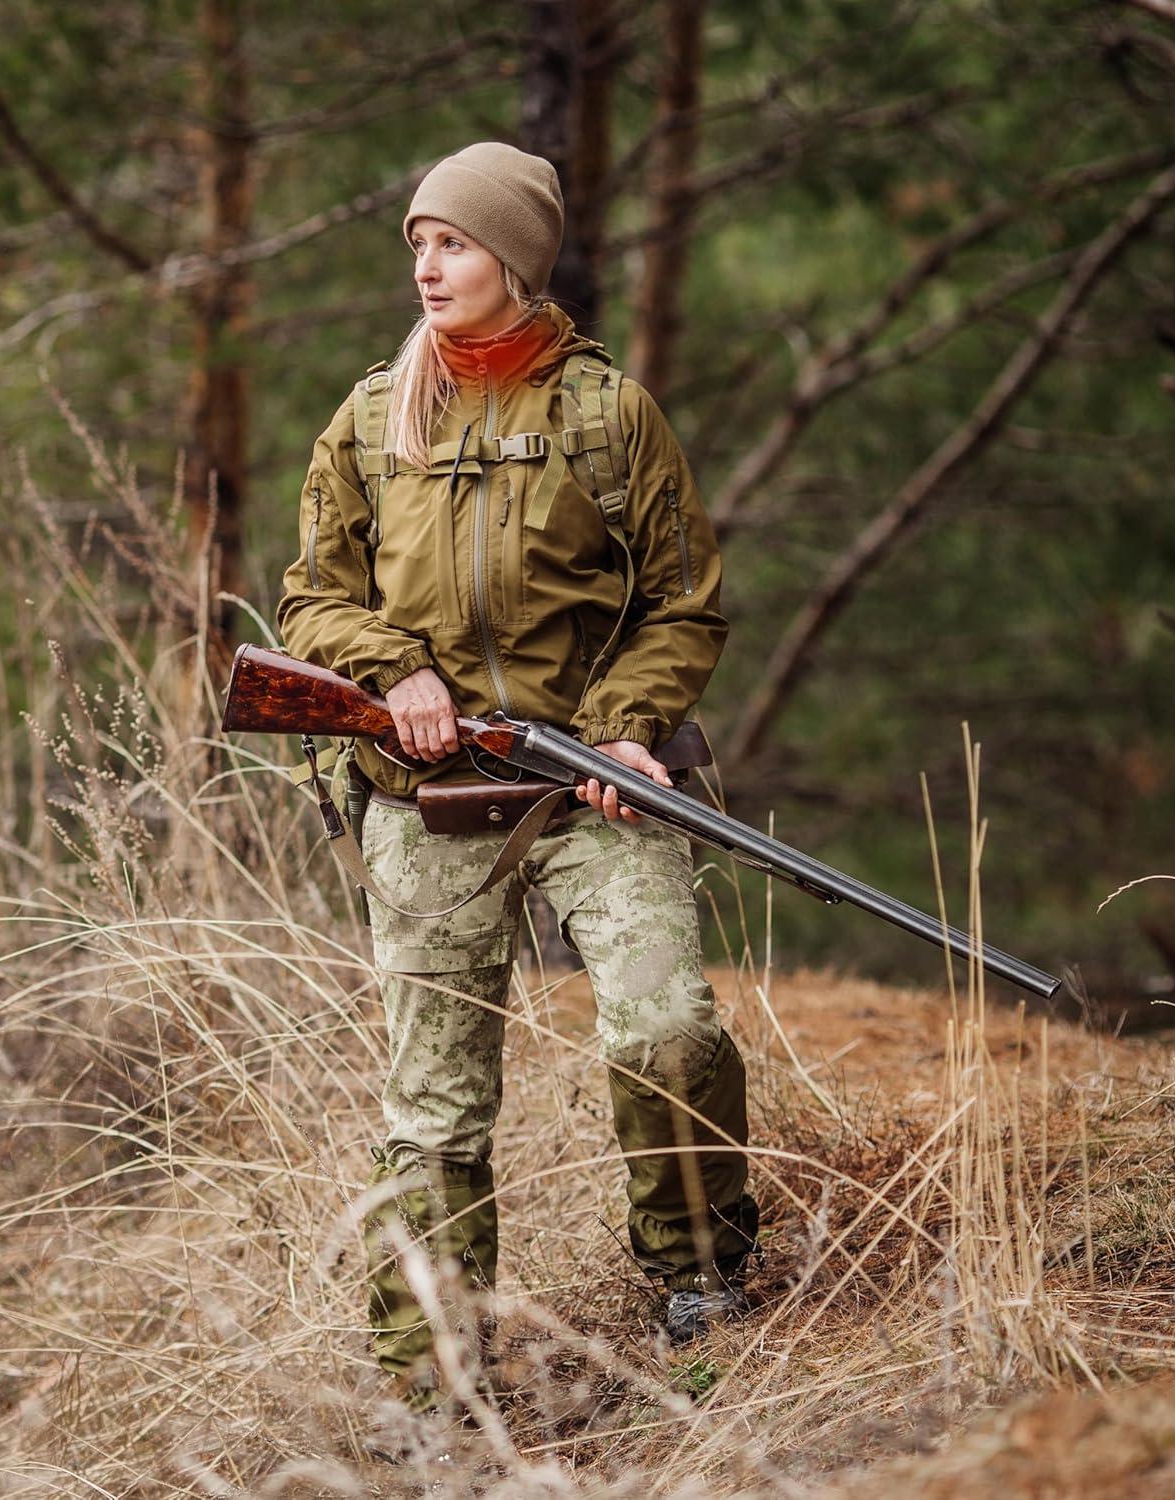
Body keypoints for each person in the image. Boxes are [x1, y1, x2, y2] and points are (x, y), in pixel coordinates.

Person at [276, 141, 758, 1414]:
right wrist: (397, 676)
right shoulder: (372, 417)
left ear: (518, 260)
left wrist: (624, 729)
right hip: (422, 796)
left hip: (588, 781)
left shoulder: (608, 416)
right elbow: (312, 598)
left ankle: (701, 1272)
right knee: (434, 1111)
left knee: (666, 1028)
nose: (430, 266)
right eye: (419, 245)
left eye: (457, 243)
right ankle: (430, 1385)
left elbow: (684, 606)